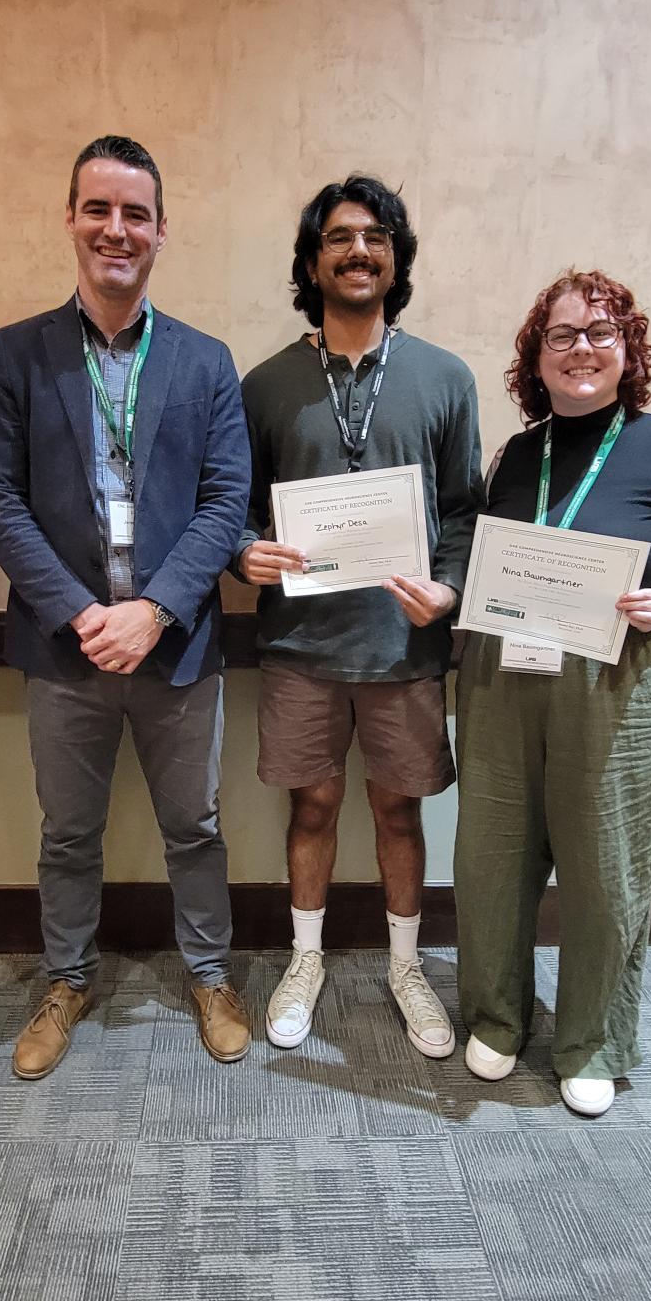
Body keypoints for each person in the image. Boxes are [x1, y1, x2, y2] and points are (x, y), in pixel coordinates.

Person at [0, 135, 252, 1080]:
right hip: (66, 650)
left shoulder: (205, 361)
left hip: (177, 649)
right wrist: (80, 611)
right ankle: (66, 979)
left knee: (195, 826)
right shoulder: (17, 354)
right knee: (67, 833)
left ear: (161, 231)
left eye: (136, 213)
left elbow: (225, 501)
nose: (116, 229)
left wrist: (155, 610)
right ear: (70, 220)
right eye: (98, 209)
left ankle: (210, 974)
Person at [454, 268, 651, 1117]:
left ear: (629, 350)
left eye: (600, 333)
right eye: (562, 335)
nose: (580, 348)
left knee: (605, 868)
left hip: (624, 676)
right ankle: (498, 1018)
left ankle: (592, 1039)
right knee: (492, 858)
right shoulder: (514, 455)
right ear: (536, 355)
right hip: (507, 678)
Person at [235, 175, 480, 1057]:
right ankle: (306, 959)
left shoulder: (444, 378)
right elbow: (233, 506)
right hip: (300, 645)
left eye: (376, 236)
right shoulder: (267, 384)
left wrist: (449, 587)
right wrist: (243, 551)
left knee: (399, 815)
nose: (358, 251)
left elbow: (464, 510)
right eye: (338, 237)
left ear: (396, 259)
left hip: (403, 646)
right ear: (312, 262)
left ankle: (405, 968)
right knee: (311, 808)